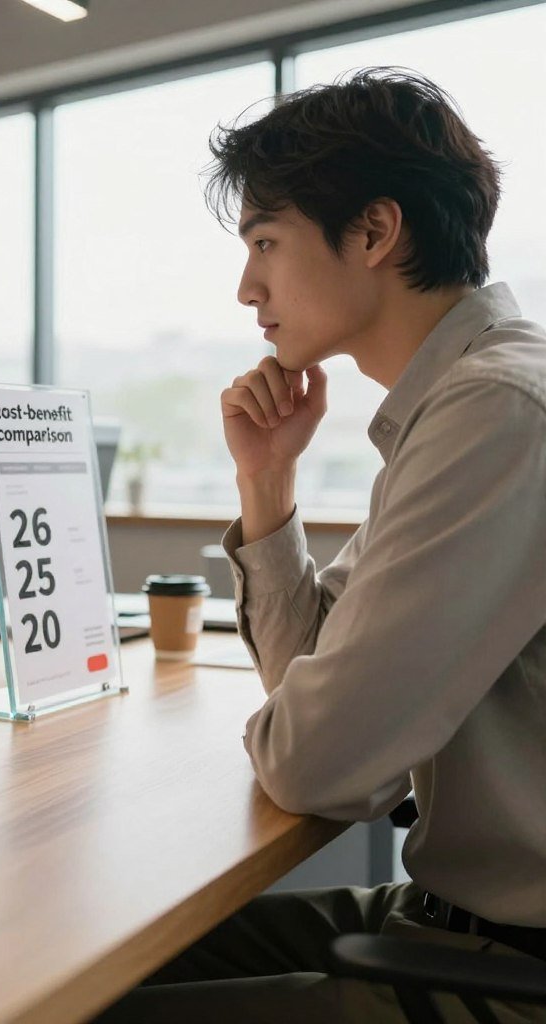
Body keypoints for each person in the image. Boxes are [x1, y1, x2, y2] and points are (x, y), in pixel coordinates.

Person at [95, 68, 546, 1023]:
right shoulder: (455, 406)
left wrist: (312, 715)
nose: (245, 286)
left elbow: (321, 765)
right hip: (447, 917)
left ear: (375, 232)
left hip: (512, 966)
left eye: (266, 241)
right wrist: (267, 483)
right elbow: (308, 679)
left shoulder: (500, 412)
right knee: (100, 963)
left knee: (86, 1005)